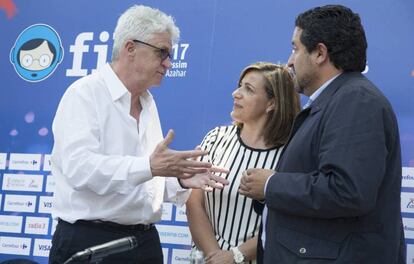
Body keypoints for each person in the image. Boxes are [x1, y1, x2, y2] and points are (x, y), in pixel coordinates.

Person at [48, 5, 228, 264]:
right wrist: (150, 166)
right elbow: (80, 170)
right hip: (92, 242)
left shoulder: (148, 102)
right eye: (162, 52)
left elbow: (140, 179)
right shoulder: (84, 94)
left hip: (144, 242)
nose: (168, 63)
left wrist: (178, 179)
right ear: (130, 48)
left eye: (170, 55)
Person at [239, 5, 406, 264]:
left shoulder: (356, 101)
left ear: (320, 53)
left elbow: (347, 190)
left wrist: (271, 185)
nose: (289, 61)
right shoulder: (335, 100)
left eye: (295, 49)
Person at [186, 62, 300, 264]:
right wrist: (215, 256)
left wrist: (235, 256)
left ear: (271, 103)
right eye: (240, 85)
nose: (235, 94)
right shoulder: (215, 138)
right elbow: (195, 202)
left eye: (248, 89)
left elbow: (284, 223)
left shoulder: (290, 153)